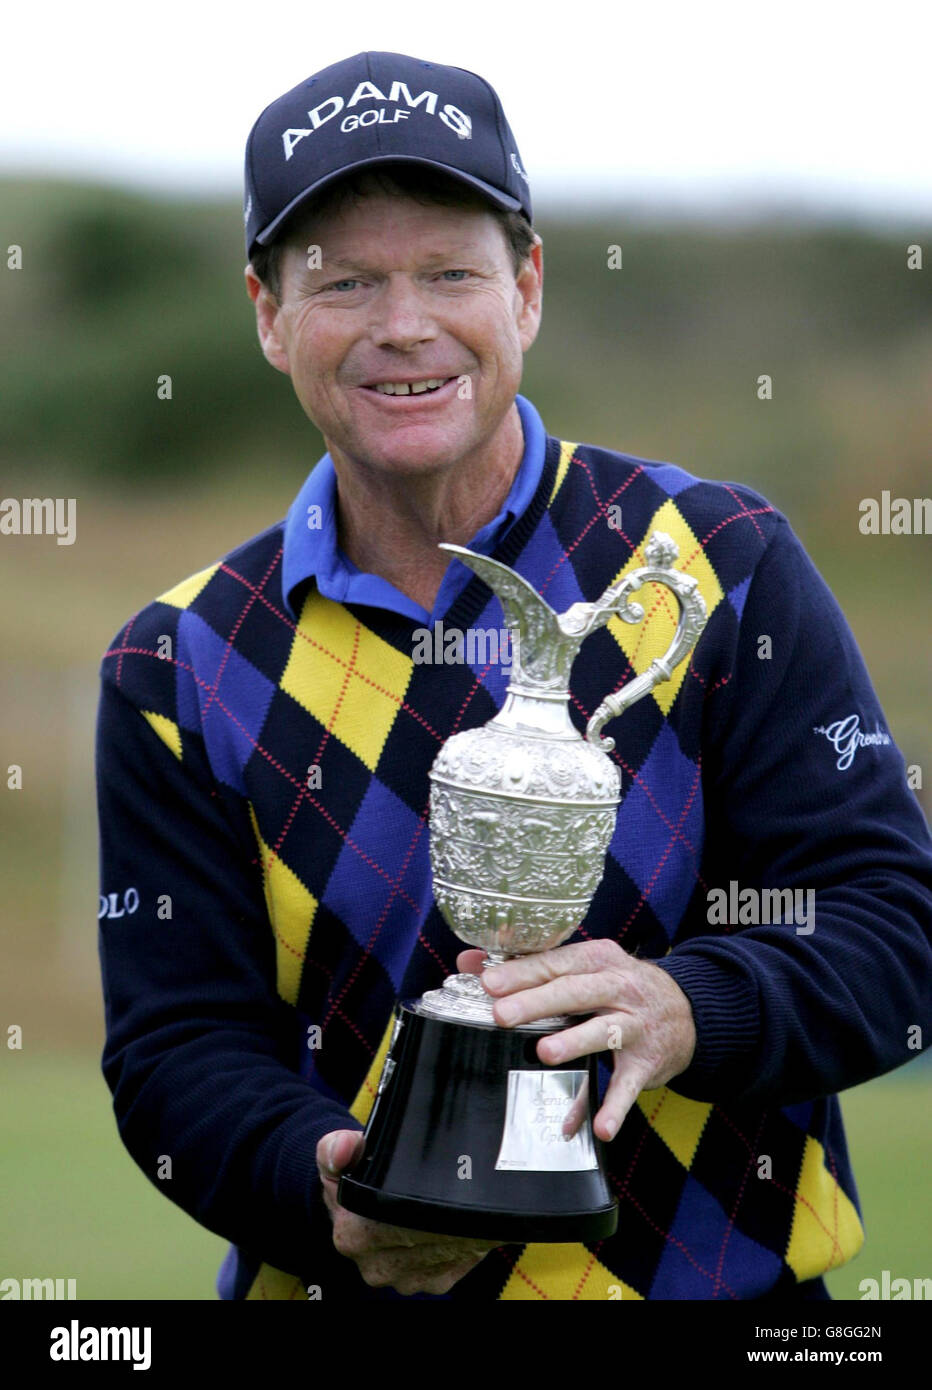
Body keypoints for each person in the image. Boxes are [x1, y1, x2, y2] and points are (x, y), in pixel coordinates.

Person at [96, 50, 932, 1302]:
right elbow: (178, 1049)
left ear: (526, 288)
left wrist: (685, 1007)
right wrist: (320, 1186)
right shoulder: (175, 661)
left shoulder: (713, 563)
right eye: (344, 282)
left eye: (449, 271)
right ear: (269, 315)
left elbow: (890, 925)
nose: (403, 325)